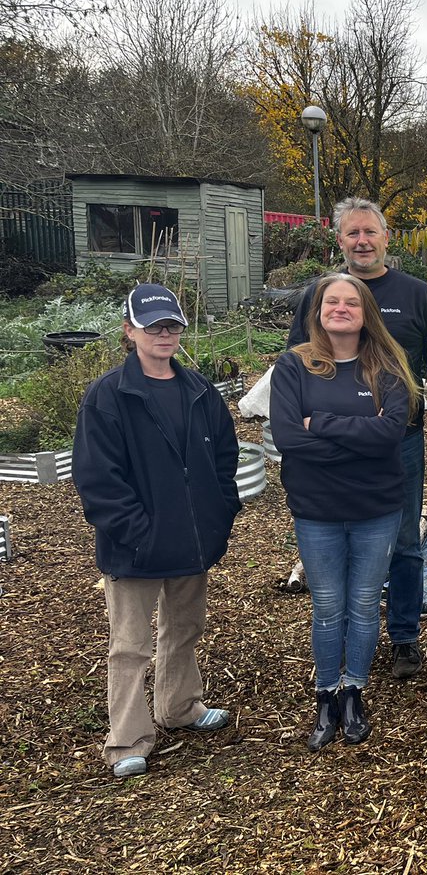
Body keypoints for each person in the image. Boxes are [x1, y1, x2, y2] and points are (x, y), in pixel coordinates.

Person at [74, 284, 241, 779]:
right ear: (130, 332)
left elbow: (224, 460)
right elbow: (98, 479)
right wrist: (137, 532)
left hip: (191, 541)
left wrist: (218, 514)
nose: (164, 334)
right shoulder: (109, 396)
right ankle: (127, 738)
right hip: (136, 548)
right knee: (129, 645)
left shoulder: (200, 391)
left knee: (184, 628)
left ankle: (181, 707)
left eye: (171, 325)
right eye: (153, 326)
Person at [288, 197, 427, 681]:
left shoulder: (417, 293)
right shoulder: (319, 293)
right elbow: (297, 360)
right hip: (330, 446)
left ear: (386, 238)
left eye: (370, 232)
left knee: (403, 541)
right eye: (352, 233)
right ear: (339, 241)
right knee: (337, 537)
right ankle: (341, 634)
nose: (362, 241)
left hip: (396, 439)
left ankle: (404, 637)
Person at [271, 273, 418, 750]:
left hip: (376, 509)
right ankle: (325, 695)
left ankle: (354, 689)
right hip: (317, 510)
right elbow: (289, 438)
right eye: (329, 301)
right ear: (316, 311)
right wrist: (359, 438)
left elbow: (391, 434)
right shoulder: (295, 366)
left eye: (350, 302)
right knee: (328, 604)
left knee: (362, 603)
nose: (339, 308)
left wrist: (324, 425)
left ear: (365, 310)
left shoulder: (387, 367)